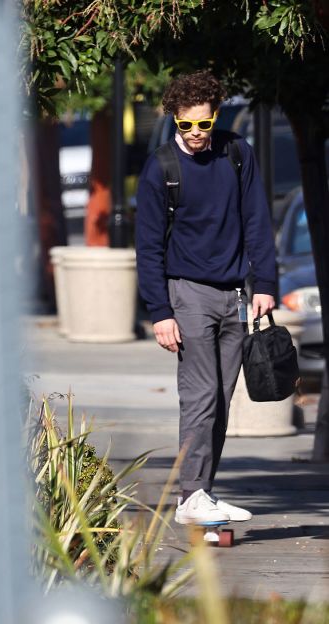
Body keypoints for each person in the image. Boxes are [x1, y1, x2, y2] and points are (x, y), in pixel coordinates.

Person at [136, 70, 276, 526]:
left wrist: (267, 286)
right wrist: (160, 312)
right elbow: (149, 245)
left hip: (235, 294)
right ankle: (191, 493)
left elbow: (256, 218)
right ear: (174, 119)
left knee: (221, 401)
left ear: (215, 116)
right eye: (185, 126)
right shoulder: (162, 168)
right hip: (187, 294)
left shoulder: (237, 153)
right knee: (201, 396)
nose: (195, 134)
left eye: (204, 124)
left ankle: (200, 494)